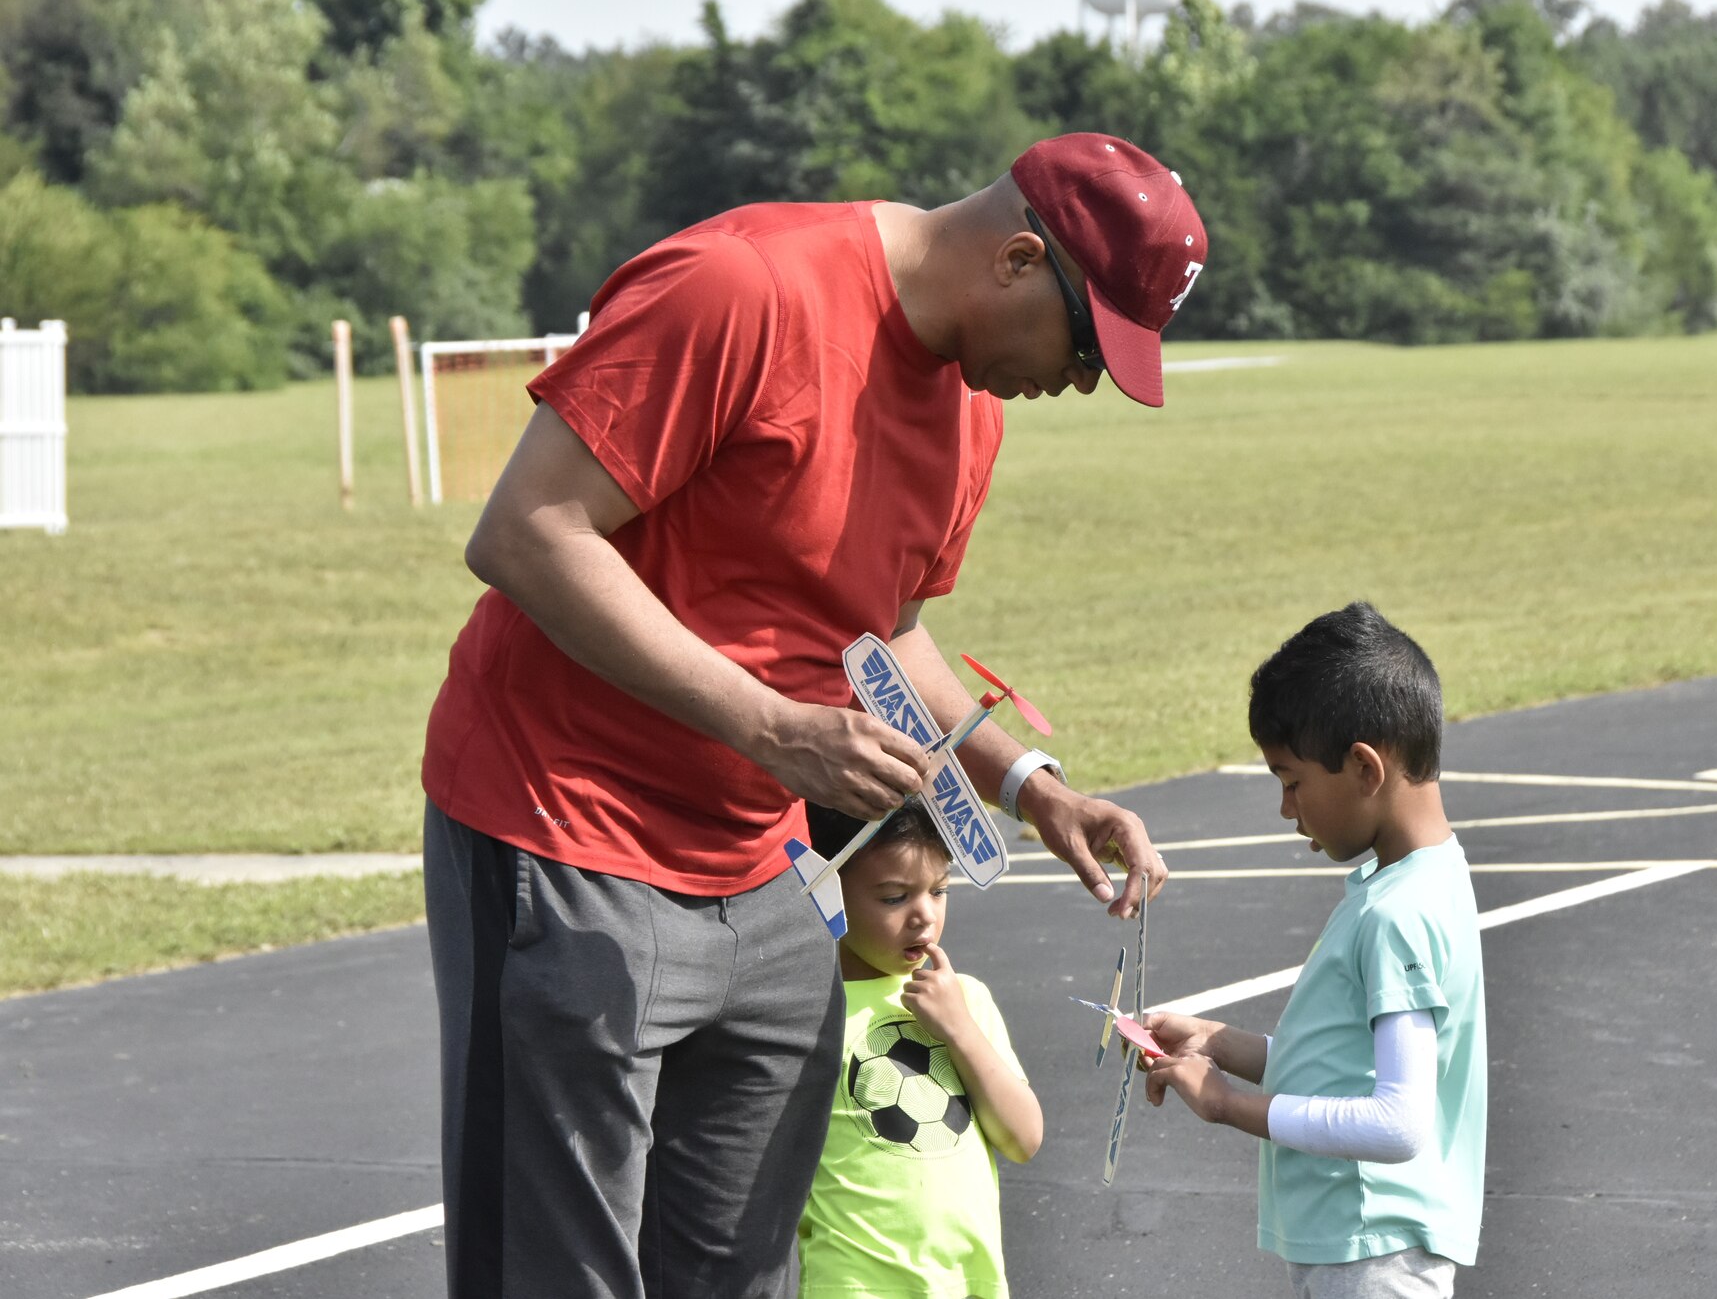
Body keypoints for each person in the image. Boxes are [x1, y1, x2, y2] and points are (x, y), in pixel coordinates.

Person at [420, 131, 1206, 1298]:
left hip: (767, 870)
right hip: (565, 827)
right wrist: (771, 726)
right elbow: (527, 529)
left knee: (744, 1271)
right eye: (1086, 343)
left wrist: (1027, 784)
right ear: (1017, 259)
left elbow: (881, 631)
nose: (1082, 382)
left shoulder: (968, 412)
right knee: (555, 1272)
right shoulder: (748, 289)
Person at [1142, 603, 1486, 1298]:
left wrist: (1226, 1104)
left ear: (1364, 768)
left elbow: (1397, 1122)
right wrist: (1220, 1042)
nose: (1285, 806)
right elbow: (1350, 1067)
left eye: (1291, 779)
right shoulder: (1419, 878)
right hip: (1361, 1245)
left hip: (1373, 1252)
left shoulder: (1398, 914)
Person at [795, 800, 1040, 1298]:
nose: (923, 914)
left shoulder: (966, 999)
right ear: (827, 891)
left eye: (939, 890)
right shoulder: (806, 1012)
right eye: (893, 897)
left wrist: (961, 1031)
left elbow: (1024, 1138)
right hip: (852, 1284)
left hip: (969, 1282)